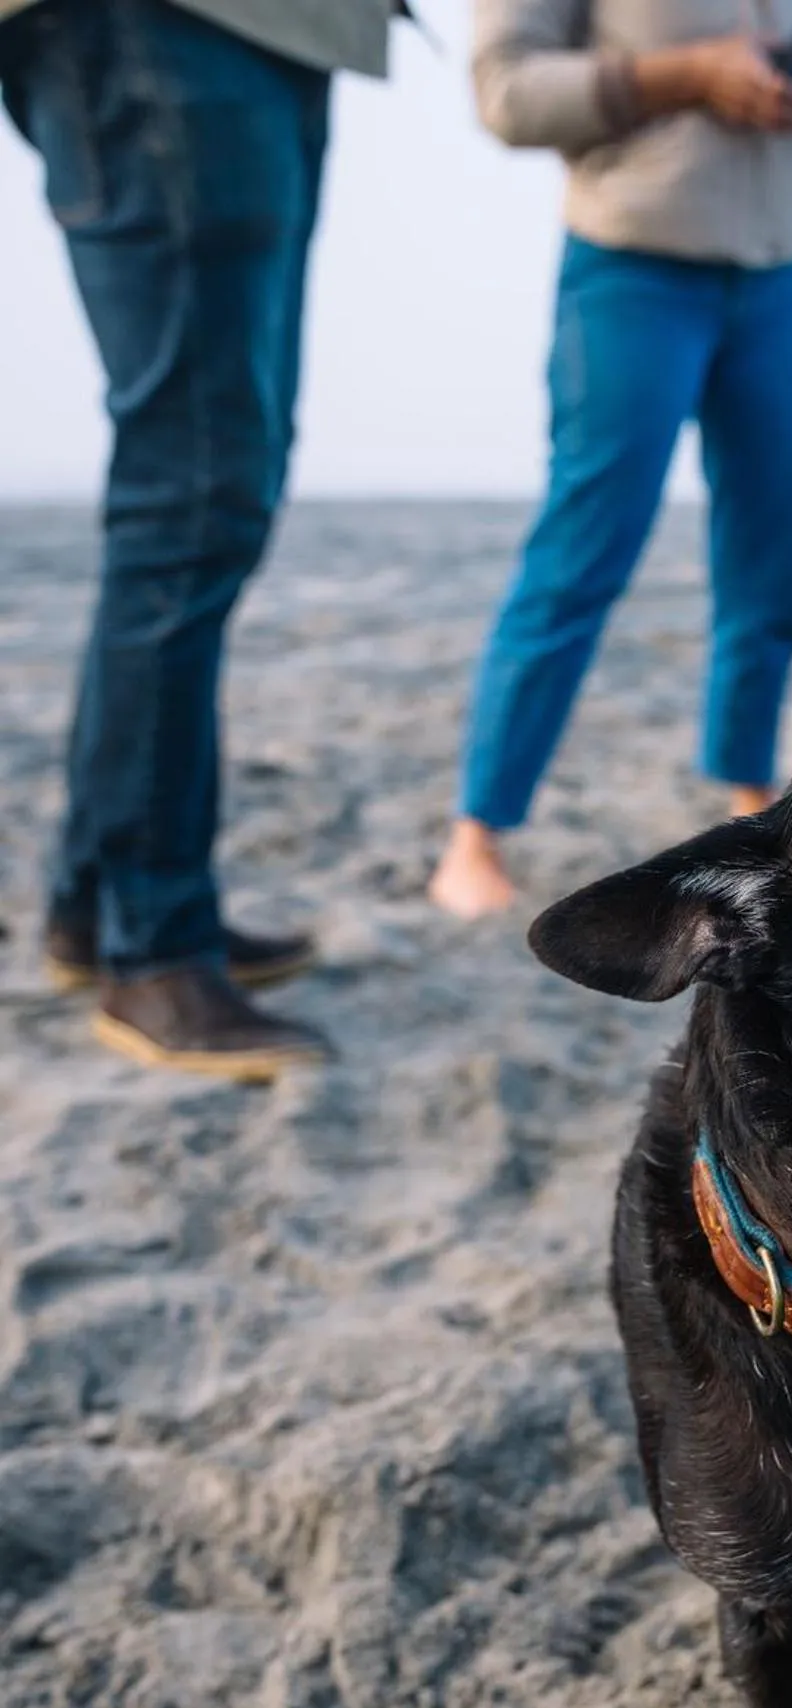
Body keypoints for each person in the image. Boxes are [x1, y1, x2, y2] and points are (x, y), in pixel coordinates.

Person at [0, 0, 397, 1077]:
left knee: (216, 486)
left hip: (276, 35)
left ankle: (102, 905)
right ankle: (153, 943)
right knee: (193, 491)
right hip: (169, 26)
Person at [428, 0, 792, 918]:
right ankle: (477, 833)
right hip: (631, 268)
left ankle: (751, 799)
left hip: (775, 276)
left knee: (767, 562)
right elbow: (506, 95)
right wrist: (689, 75)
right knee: (583, 552)